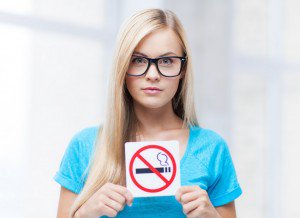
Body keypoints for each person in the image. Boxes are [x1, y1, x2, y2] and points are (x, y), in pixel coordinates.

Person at [54, 8, 242, 218]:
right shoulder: (85, 146)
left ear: (183, 70)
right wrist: (85, 213)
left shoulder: (211, 148)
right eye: (139, 60)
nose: (152, 75)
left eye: (167, 61)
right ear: (122, 68)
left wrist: (212, 216)